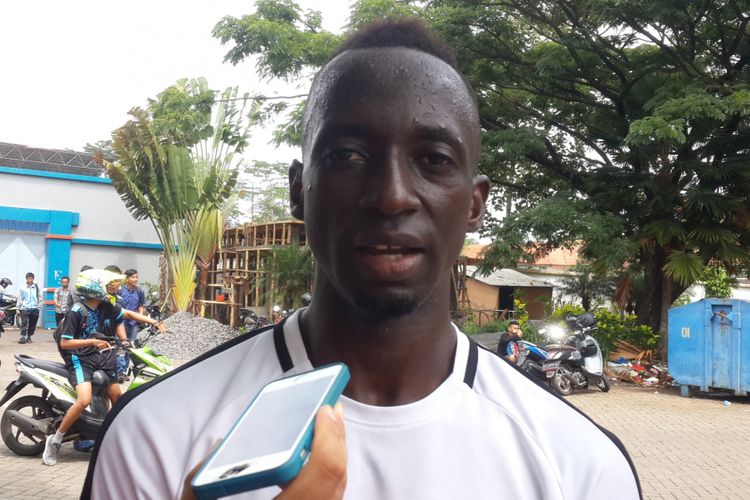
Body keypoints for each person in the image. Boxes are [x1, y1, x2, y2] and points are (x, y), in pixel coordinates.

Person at [83, 18, 641, 499]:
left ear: (474, 205)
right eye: (348, 154)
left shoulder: (580, 467)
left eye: (434, 158)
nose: (393, 195)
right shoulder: (154, 437)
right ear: (300, 192)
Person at [42, 269, 130, 466]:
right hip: (79, 360)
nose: (112, 288)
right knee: (83, 400)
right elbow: (65, 343)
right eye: (108, 285)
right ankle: (55, 440)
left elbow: (125, 314)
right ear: (96, 288)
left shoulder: (102, 307)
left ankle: (112, 438)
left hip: (97, 359)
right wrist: (92, 342)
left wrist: (153, 322)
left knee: (118, 397)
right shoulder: (76, 310)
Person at [115, 269, 146, 382]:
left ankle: (124, 371)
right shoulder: (119, 291)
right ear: (126, 279)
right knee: (120, 346)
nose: (136, 279)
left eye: (136, 277)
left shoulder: (139, 291)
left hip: (133, 324)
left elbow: (141, 305)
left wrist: (141, 316)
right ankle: (119, 371)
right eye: (133, 277)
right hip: (121, 322)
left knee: (129, 348)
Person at [17, 272, 41, 344]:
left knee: (32, 324)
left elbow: (39, 297)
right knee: (23, 323)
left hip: (34, 308)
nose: (29, 280)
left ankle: (29, 336)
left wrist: (39, 307)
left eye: (31, 278)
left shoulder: (36, 287)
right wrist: (18, 308)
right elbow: (20, 298)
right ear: (26, 279)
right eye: (28, 278)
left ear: (33, 279)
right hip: (25, 308)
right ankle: (22, 337)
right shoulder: (22, 288)